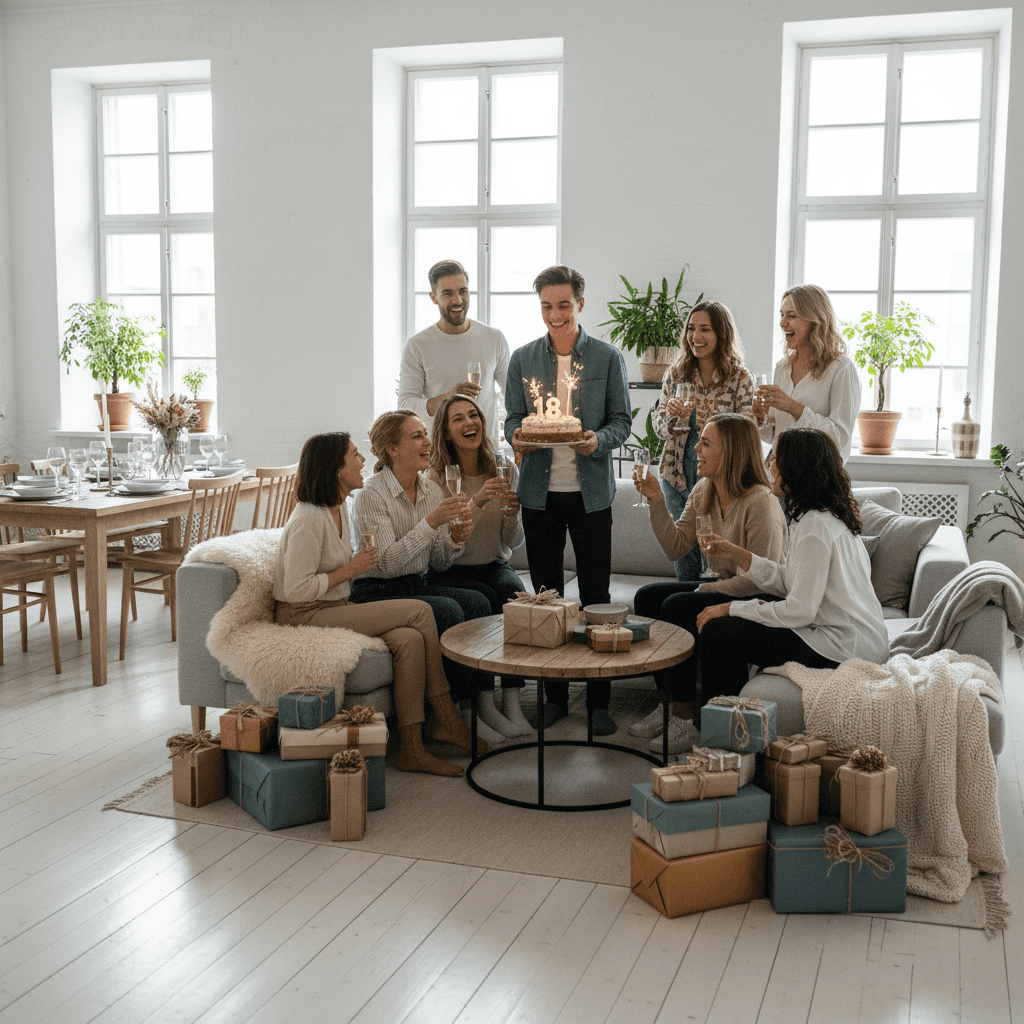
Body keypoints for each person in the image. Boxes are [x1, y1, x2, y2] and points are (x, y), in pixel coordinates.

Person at [273, 431, 482, 777]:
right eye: (355, 456)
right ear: (335, 468)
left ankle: (412, 749)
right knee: (421, 610)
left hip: (332, 607)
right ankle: (446, 715)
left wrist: (352, 570)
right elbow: (295, 590)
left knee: (410, 639)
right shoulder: (309, 518)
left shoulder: (336, 507)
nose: (363, 461)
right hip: (303, 614)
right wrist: (350, 570)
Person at [505, 264, 632, 735]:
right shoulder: (522, 359)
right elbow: (512, 419)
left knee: (597, 597)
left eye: (562, 305)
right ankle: (554, 697)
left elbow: (622, 419)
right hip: (538, 495)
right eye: (546, 306)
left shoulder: (605, 357)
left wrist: (597, 441)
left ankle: (598, 701)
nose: (554, 315)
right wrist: (517, 433)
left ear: (580, 303)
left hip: (591, 494)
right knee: (545, 599)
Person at [694, 427, 890, 696]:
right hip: (859, 641)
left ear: (797, 468)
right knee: (727, 625)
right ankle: (728, 716)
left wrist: (735, 608)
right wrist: (739, 554)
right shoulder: (825, 516)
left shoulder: (813, 526)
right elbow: (793, 581)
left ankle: (727, 723)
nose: (769, 464)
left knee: (719, 631)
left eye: (776, 458)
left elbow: (800, 611)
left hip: (843, 649)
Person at [631, 413, 785, 753]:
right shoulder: (705, 489)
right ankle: (671, 705)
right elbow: (676, 545)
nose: (696, 448)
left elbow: (763, 576)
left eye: (705, 442)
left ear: (729, 452)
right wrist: (657, 500)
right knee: (647, 599)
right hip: (722, 587)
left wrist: (707, 590)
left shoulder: (760, 502)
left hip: (756, 596)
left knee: (677, 605)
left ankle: (686, 716)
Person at [349, 410, 492, 699]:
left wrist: (454, 537)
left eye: (425, 434)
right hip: (378, 590)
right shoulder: (371, 495)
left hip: (416, 585)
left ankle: (486, 702)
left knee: (480, 600)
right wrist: (431, 523)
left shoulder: (431, 490)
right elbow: (386, 562)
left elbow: (438, 561)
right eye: (417, 436)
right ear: (393, 449)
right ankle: (462, 707)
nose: (427, 441)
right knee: (448, 610)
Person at [427, 392, 530, 740]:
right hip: (451, 569)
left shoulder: (504, 468)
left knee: (516, 595)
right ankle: (480, 705)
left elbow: (512, 542)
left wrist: (513, 515)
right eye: (458, 419)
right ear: (445, 432)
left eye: (474, 415)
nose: (470, 422)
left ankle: (511, 701)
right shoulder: (435, 480)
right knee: (482, 602)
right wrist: (479, 499)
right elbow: (440, 546)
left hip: (492, 562)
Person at [653, 301, 755, 580]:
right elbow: (660, 429)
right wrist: (673, 418)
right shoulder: (676, 373)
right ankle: (686, 613)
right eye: (691, 329)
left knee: (716, 557)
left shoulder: (740, 378)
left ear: (721, 334)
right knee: (685, 556)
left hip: (720, 479)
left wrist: (702, 420)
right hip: (676, 476)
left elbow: (747, 432)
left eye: (705, 329)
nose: (695, 336)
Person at [398, 259, 511, 438]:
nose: (458, 300)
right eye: (448, 293)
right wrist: (448, 398)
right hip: (440, 453)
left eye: (463, 291)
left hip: (486, 453)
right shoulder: (417, 345)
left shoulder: (494, 338)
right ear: (433, 297)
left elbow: (512, 396)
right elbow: (405, 405)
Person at [755, 283, 861, 462]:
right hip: (778, 476)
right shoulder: (782, 367)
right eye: (782, 315)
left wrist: (793, 407)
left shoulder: (841, 368)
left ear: (815, 320)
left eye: (792, 316)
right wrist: (759, 418)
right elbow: (774, 436)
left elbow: (839, 438)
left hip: (816, 479)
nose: (782, 323)